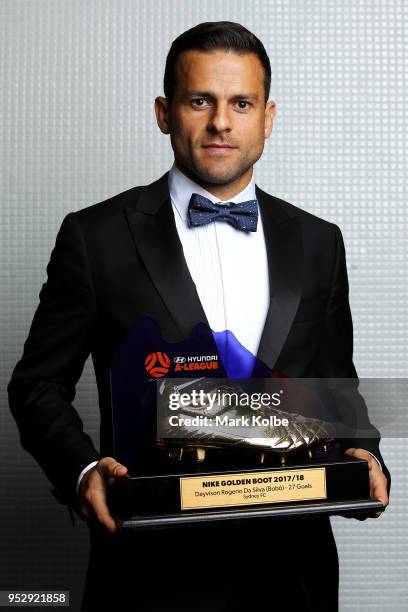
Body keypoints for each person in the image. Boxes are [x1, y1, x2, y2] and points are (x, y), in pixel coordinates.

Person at [7, 21, 390, 612]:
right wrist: (83, 473)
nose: (221, 122)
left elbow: (337, 388)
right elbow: (36, 386)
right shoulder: (95, 237)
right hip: (148, 569)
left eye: (241, 103)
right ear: (164, 113)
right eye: (199, 101)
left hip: (293, 574)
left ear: (268, 116)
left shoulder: (320, 242)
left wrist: (365, 452)